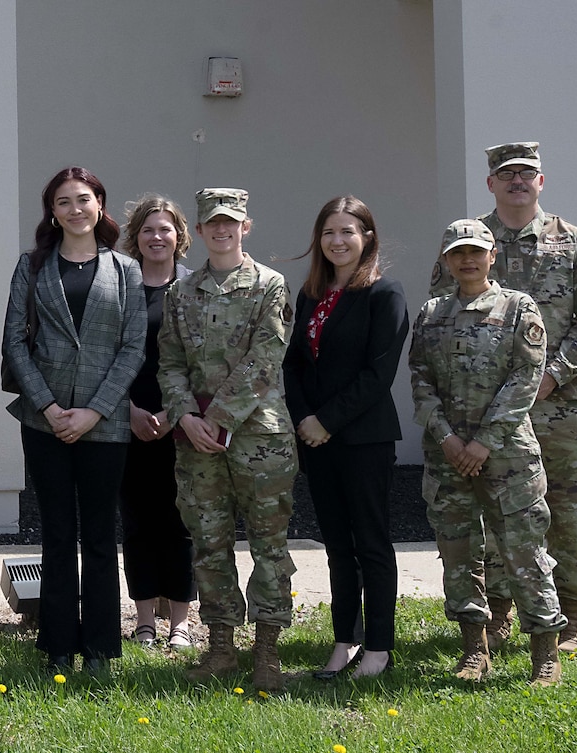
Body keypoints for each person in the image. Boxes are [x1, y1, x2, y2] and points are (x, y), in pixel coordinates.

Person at [430, 143, 577, 656]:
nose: (516, 181)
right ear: (490, 183)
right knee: (494, 517)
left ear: (541, 181)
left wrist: (549, 376)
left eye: (525, 173)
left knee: (568, 513)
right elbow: (440, 317)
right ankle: (500, 614)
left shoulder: (573, 243)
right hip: (484, 416)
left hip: (560, 407)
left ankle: (573, 616)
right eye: (505, 174)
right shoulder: (468, 243)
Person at [0, 167, 144, 675]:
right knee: (58, 533)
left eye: (83, 199)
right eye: (64, 202)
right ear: (52, 212)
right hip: (46, 422)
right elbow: (15, 340)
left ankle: (102, 648)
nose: (75, 209)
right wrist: (49, 407)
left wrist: (95, 410)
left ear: (100, 205)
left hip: (105, 424)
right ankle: (57, 643)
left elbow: (133, 347)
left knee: (101, 534)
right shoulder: (32, 266)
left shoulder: (126, 269)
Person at [410, 218, 566, 686]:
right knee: (458, 554)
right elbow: (420, 379)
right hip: (448, 456)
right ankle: (475, 649)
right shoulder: (432, 312)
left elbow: (525, 380)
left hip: (508, 456)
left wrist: (482, 442)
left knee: (525, 553)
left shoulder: (519, 308)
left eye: (476, 251)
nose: (467, 259)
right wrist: (447, 438)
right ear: (446, 260)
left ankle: (545, 653)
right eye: (457, 253)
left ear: (492, 255)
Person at [157, 188, 297, 692]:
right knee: (210, 543)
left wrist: (216, 417)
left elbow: (265, 359)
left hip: (259, 436)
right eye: (212, 223)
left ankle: (267, 651)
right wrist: (185, 417)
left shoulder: (269, 285)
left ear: (245, 226)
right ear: (197, 232)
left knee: (269, 544)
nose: (222, 230)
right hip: (196, 439)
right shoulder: (181, 292)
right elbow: (169, 362)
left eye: (231, 222)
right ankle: (221, 648)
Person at [283, 196, 408, 680]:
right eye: (328, 232)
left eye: (348, 232)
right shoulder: (311, 294)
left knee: (371, 543)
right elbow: (294, 363)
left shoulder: (384, 293)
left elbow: (378, 375)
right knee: (337, 545)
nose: (337, 241)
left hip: (363, 439)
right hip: (316, 440)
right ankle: (344, 642)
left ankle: (378, 649)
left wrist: (327, 420)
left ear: (367, 238)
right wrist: (303, 419)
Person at [115, 195, 196, 648]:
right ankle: (144, 619)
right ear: (136, 238)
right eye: (148, 229)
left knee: (180, 522)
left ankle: (180, 623)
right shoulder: (121, 288)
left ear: (179, 237)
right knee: (138, 523)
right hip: (127, 420)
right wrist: (127, 409)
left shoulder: (194, 288)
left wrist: (173, 414)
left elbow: (204, 360)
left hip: (181, 423)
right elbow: (105, 353)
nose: (156, 237)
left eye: (165, 229)